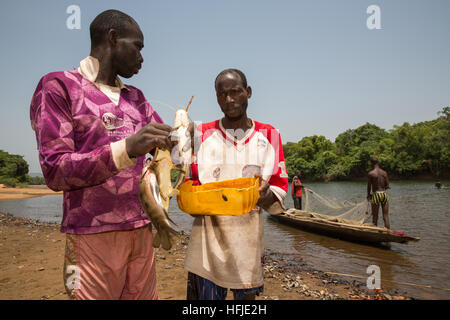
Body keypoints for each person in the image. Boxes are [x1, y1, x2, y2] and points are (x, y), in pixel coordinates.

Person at [29, 10, 174, 300]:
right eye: (138, 47)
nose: (142, 58)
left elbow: (165, 145)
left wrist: (180, 137)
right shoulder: (59, 86)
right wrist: (127, 148)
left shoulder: (137, 98)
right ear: (113, 38)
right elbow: (55, 170)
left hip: (143, 232)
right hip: (90, 235)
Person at [184, 69, 289, 300]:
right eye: (222, 95)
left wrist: (264, 194)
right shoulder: (200, 134)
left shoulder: (269, 135)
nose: (229, 100)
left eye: (235, 92)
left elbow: (280, 187)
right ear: (217, 98)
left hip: (247, 245)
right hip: (207, 246)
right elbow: (187, 183)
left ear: (248, 92)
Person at [367, 157, 390, 229]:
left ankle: (374, 231)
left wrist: (368, 195)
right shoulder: (384, 173)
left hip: (376, 194)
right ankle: (388, 232)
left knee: (375, 216)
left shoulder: (371, 173)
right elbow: (387, 185)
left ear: (371, 163)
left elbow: (369, 186)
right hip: (384, 194)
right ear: (378, 163)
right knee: (385, 216)